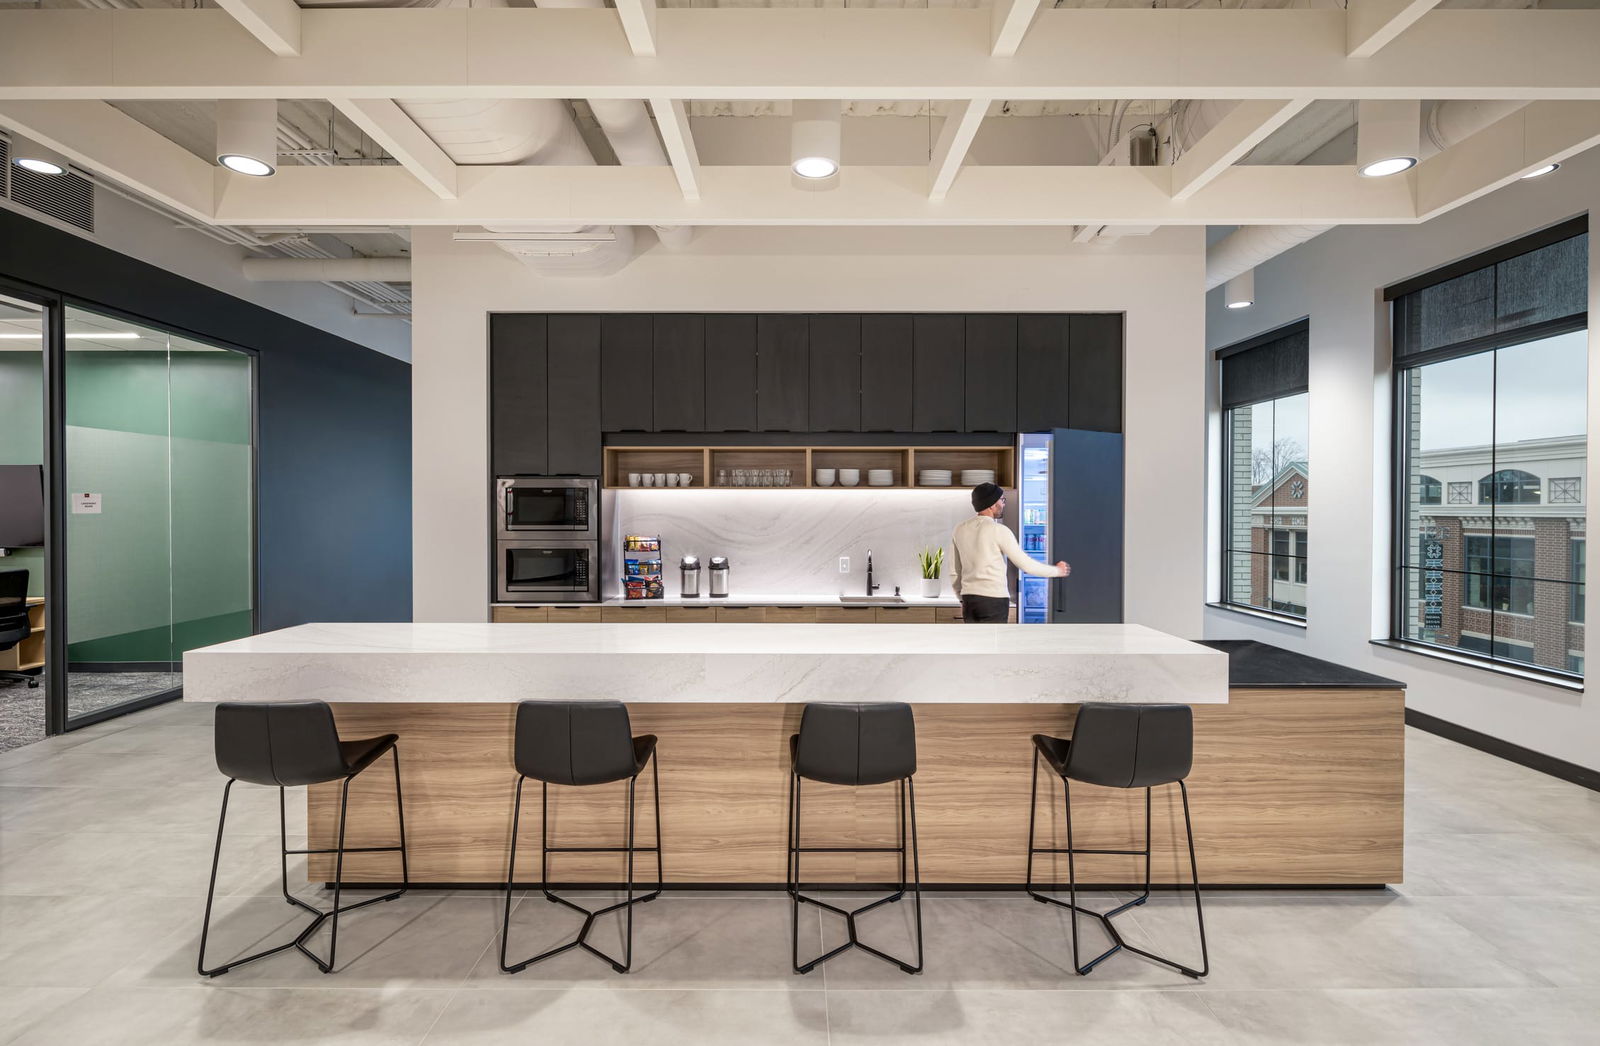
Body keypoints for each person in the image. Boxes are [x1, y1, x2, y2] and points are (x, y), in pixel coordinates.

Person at [949, 482, 1069, 623]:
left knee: (975, 644)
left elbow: (955, 571)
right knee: (993, 644)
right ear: (992, 504)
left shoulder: (960, 529)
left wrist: (962, 597)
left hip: (969, 600)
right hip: (993, 600)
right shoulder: (999, 530)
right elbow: (1026, 565)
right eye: (1002, 500)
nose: (1004, 504)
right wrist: (1057, 571)